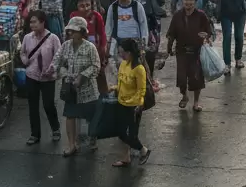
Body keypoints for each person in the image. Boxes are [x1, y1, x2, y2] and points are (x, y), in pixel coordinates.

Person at [54, 15, 101, 156]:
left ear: (82, 32)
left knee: (91, 116)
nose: (71, 33)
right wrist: (66, 74)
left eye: (74, 31)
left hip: (88, 89)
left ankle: (93, 139)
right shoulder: (65, 46)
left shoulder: (90, 47)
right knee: (70, 116)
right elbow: (57, 63)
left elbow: (96, 66)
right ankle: (72, 144)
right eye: (70, 31)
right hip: (71, 89)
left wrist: (83, 76)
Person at [19, 10, 61, 145]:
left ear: (43, 22)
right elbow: (23, 52)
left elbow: (59, 56)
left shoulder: (53, 38)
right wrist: (24, 60)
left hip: (48, 77)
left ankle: (55, 128)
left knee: (48, 104)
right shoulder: (27, 38)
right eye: (30, 22)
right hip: (31, 75)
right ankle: (35, 134)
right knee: (33, 105)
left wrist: (52, 68)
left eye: (34, 22)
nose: (32, 25)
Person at [165, 0, 211, 111]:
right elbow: (171, 33)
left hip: (197, 52)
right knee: (181, 77)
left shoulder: (201, 15)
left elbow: (209, 31)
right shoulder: (177, 15)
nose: (188, 2)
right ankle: (184, 96)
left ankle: (196, 102)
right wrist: (169, 47)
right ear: (182, 1)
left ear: (195, 2)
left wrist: (206, 35)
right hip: (181, 51)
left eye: (191, 0)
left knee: (196, 78)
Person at [112, 37, 151, 167]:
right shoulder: (123, 64)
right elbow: (121, 83)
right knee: (121, 133)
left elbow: (141, 90)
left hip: (134, 106)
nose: (121, 55)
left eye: (123, 52)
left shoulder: (139, 68)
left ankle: (143, 150)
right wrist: (113, 88)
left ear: (130, 52)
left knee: (132, 135)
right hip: (121, 103)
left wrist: (137, 104)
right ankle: (126, 158)